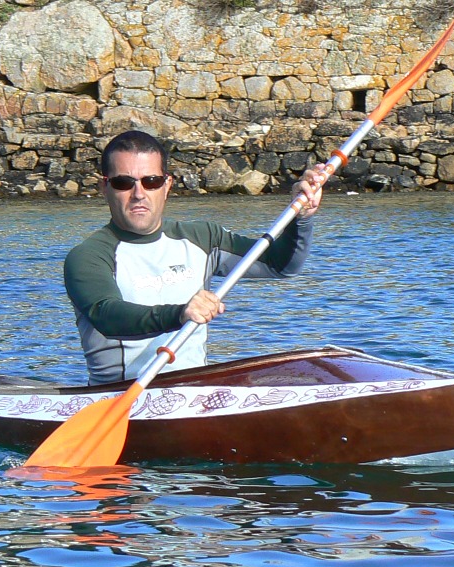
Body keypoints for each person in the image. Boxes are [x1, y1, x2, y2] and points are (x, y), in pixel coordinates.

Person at [64, 129, 326, 385]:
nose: (139, 194)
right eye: (124, 183)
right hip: (119, 396)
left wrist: (300, 218)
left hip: (194, 393)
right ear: (104, 187)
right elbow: (108, 317)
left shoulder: (203, 238)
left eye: (151, 181)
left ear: (167, 185)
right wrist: (179, 314)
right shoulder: (88, 257)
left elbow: (281, 266)